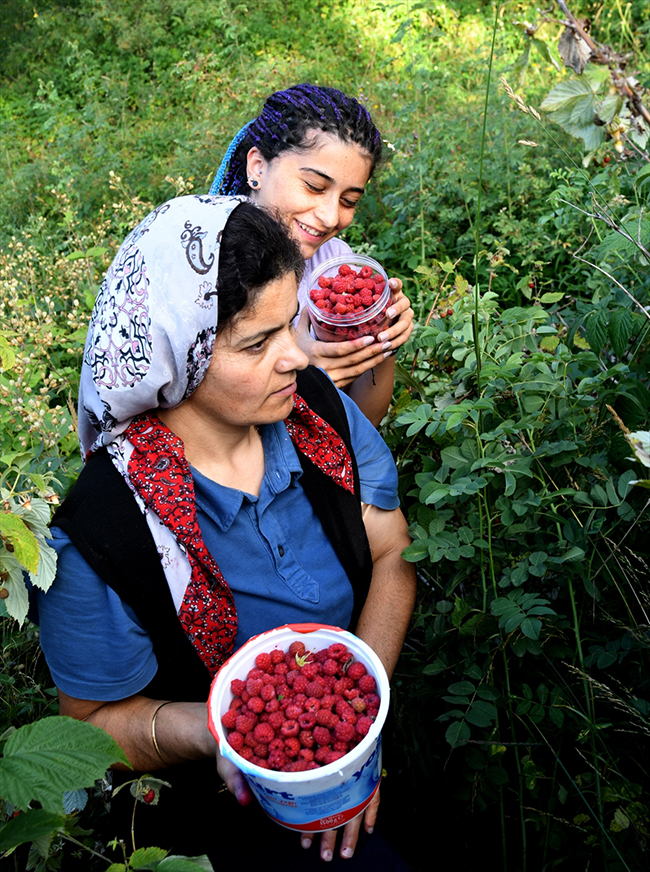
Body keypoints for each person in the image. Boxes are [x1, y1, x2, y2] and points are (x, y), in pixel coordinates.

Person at [35, 194, 416, 868]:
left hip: (359, 744)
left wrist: (359, 715)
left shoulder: (317, 414)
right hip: (218, 814)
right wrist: (220, 732)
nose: (297, 357)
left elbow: (391, 552)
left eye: (290, 325)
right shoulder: (105, 530)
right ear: (174, 355)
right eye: (258, 342)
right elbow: (92, 728)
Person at [209, 84, 414, 427]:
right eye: (315, 187)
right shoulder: (206, 261)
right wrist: (299, 371)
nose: (331, 217)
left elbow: (364, 419)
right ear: (258, 167)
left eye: (349, 201)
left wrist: (382, 341)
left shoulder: (332, 264)